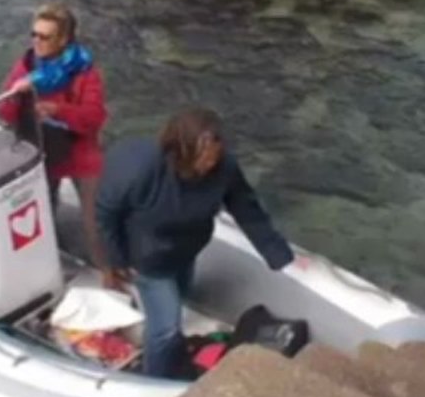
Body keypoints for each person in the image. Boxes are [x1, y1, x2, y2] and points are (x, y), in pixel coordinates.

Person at [95, 107, 309, 380]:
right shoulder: (140, 168)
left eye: (215, 156)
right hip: (148, 260)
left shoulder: (225, 169)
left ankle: (164, 341)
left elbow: (248, 211)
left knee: (179, 298)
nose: (210, 163)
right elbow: (106, 212)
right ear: (182, 151)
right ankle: (154, 381)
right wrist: (115, 261)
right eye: (204, 157)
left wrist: (281, 255)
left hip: (187, 248)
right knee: (166, 328)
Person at [0, 2, 110, 282]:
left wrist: (58, 110)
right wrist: (16, 95)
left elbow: (94, 117)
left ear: (63, 40)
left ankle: (109, 269)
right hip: (43, 150)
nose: (36, 41)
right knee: (42, 210)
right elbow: (4, 112)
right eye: (34, 34)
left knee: (97, 219)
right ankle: (45, 264)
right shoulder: (26, 67)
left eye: (44, 36)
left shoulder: (85, 73)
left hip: (80, 151)